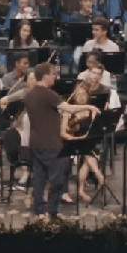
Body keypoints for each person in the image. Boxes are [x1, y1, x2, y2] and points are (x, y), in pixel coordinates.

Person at [26, 62, 99, 218]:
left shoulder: (30, 94)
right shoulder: (48, 94)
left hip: (35, 142)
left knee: (39, 178)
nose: (55, 77)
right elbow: (69, 108)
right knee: (58, 179)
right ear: (45, 76)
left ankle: (39, 211)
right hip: (49, 143)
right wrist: (89, 107)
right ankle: (52, 210)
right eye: (53, 74)